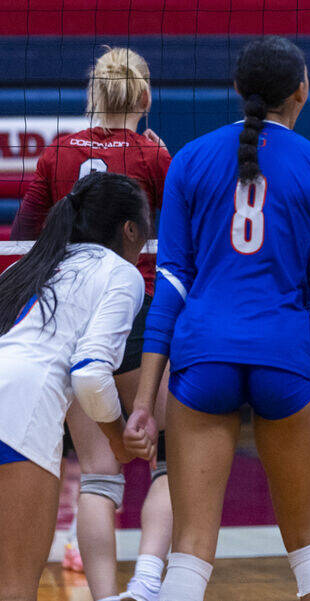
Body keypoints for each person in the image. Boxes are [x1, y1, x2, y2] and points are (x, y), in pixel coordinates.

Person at [123, 36, 310, 601]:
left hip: (203, 356)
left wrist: (144, 405)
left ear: (236, 90)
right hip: (287, 357)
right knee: (309, 548)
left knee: (190, 550)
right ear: (302, 91)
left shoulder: (192, 160)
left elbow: (170, 288)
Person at [10, 46, 172, 601]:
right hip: (138, 311)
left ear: (93, 94)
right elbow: (182, 243)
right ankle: (147, 585)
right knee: (167, 461)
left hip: (71, 318)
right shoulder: (152, 156)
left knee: (100, 473)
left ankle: (106, 595)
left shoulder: (57, 151)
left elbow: (23, 241)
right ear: (145, 97)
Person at [0, 172, 149, 601]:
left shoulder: (27, 265)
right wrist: (118, 437)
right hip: (20, 415)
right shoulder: (121, 274)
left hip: (16, 403)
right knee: (15, 587)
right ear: (130, 230)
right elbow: (89, 373)